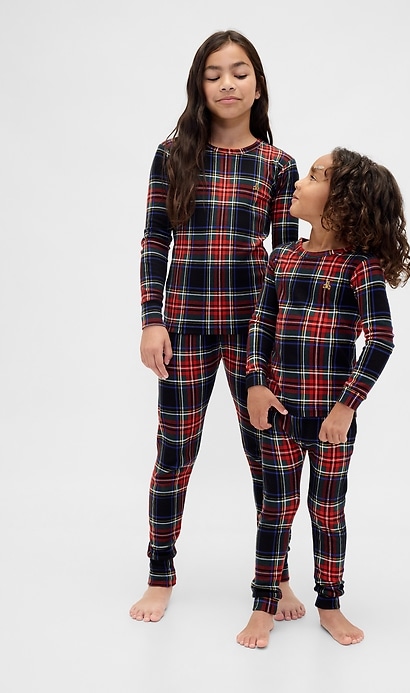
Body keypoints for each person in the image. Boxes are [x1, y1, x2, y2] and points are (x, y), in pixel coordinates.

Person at [130, 30, 305, 623]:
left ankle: (276, 576)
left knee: (268, 456)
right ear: (199, 86)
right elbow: (155, 240)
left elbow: (286, 261)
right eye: (213, 75)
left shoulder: (278, 166)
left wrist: (281, 337)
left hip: (254, 333)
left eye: (239, 72)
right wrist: (151, 320)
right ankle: (160, 573)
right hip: (183, 327)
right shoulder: (172, 154)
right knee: (175, 451)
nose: (227, 84)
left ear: (257, 85)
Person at [236, 147, 410, 648]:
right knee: (275, 509)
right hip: (279, 415)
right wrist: (255, 383)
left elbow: (380, 340)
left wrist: (345, 407)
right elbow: (261, 324)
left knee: (328, 512)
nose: (299, 182)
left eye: (314, 176)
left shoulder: (359, 268)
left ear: (344, 202)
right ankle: (263, 604)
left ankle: (330, 604)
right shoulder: (283, 258)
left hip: (331, 422)